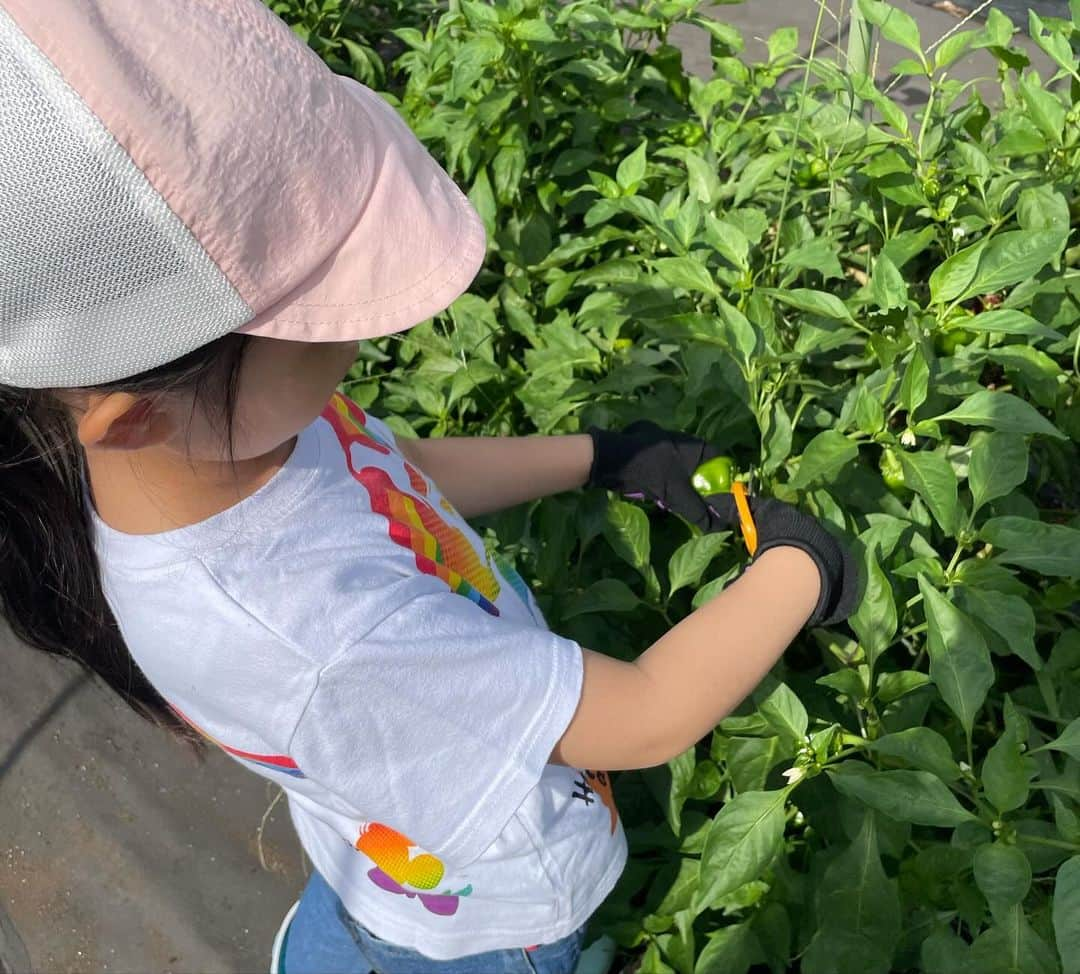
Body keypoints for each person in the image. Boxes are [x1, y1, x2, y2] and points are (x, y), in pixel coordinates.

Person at [0, 1, 857, 972]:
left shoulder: (221, 450)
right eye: (325, 314)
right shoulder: (321, 637)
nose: (364, 333)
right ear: (135, 409)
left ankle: (345, 941)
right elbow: (646, 711)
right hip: (494, 920)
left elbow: (389, 479)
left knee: (366, 886)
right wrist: (803, 562)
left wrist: (604, 455)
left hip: (393, 838)